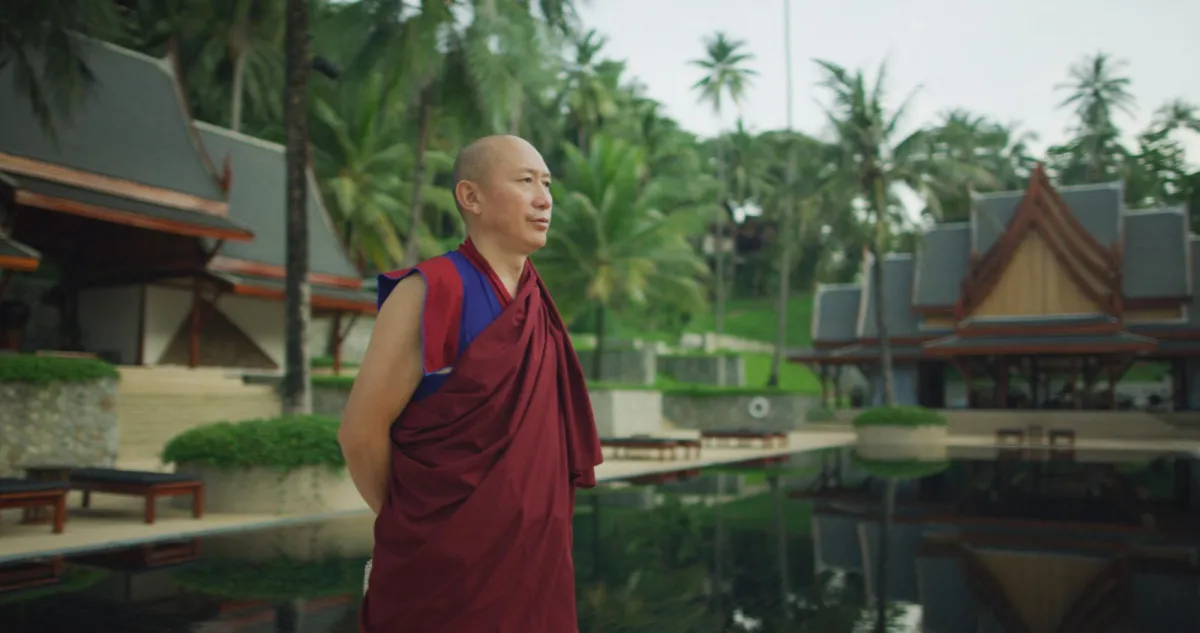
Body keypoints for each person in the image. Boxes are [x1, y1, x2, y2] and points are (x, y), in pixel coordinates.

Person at [337, 135, 603, 633]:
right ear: (471, 197)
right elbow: (360, 432)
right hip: (443, 567)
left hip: (535, 566)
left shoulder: (537, 305)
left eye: (546, 184)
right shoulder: (432, 290)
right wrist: (416, 527)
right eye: (526, 182)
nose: (545, 199)